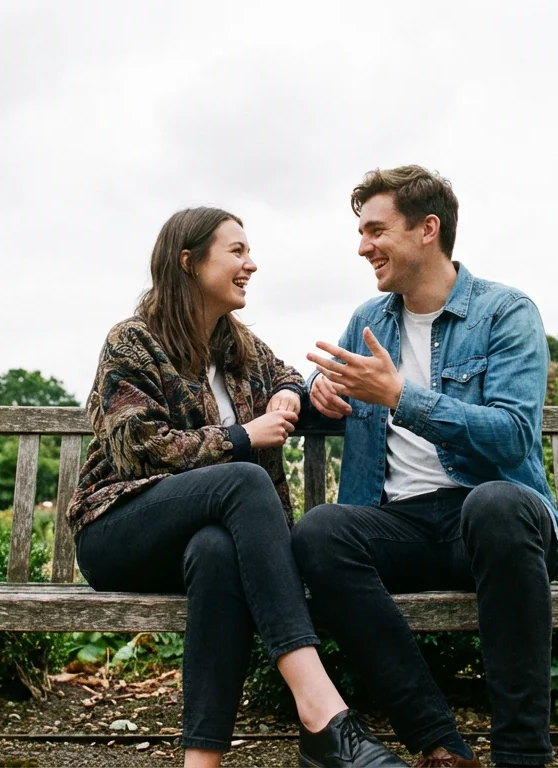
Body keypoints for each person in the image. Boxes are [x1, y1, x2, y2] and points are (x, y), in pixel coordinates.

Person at [67, 207, 406, 768]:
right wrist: (241, 435)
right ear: (188, 262)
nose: (252, 263)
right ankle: (322, 712)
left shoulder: (237, 344)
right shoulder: (132, 341)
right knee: (245, 478)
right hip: (118, 531)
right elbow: (135, 446)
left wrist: (291, 396)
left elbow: (287, 376)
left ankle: (201, 763)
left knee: (218, 551)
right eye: (237, 251)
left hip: (188, 546)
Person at [293, 167, 558, 768]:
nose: (363, 246)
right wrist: (317, 390)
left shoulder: (506, 313)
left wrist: (403, 398)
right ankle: (441, 746)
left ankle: (522, 756)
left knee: (497, 503)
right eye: (361, 231)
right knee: (320, 530)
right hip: (398, 525)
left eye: (376, 230)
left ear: (428, 229)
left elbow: (513, 436)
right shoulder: (369, 320)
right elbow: (328, 383)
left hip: (487, 525)